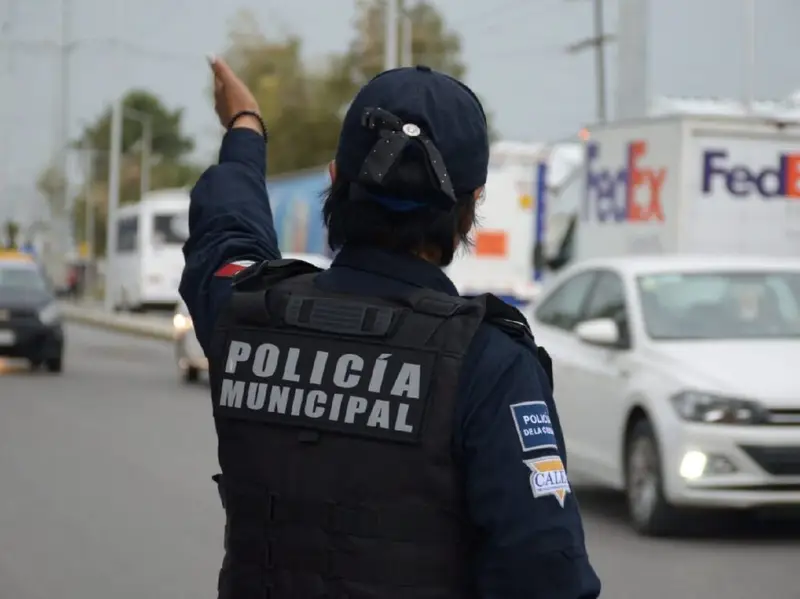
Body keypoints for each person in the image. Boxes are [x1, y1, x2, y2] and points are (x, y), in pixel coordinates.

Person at [180, 55, 601, 599]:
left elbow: (225, 232)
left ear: (334, 181)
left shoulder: (246, 313)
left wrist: (245, 127)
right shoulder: (489, 363)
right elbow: (546, 575)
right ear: (471, 207)